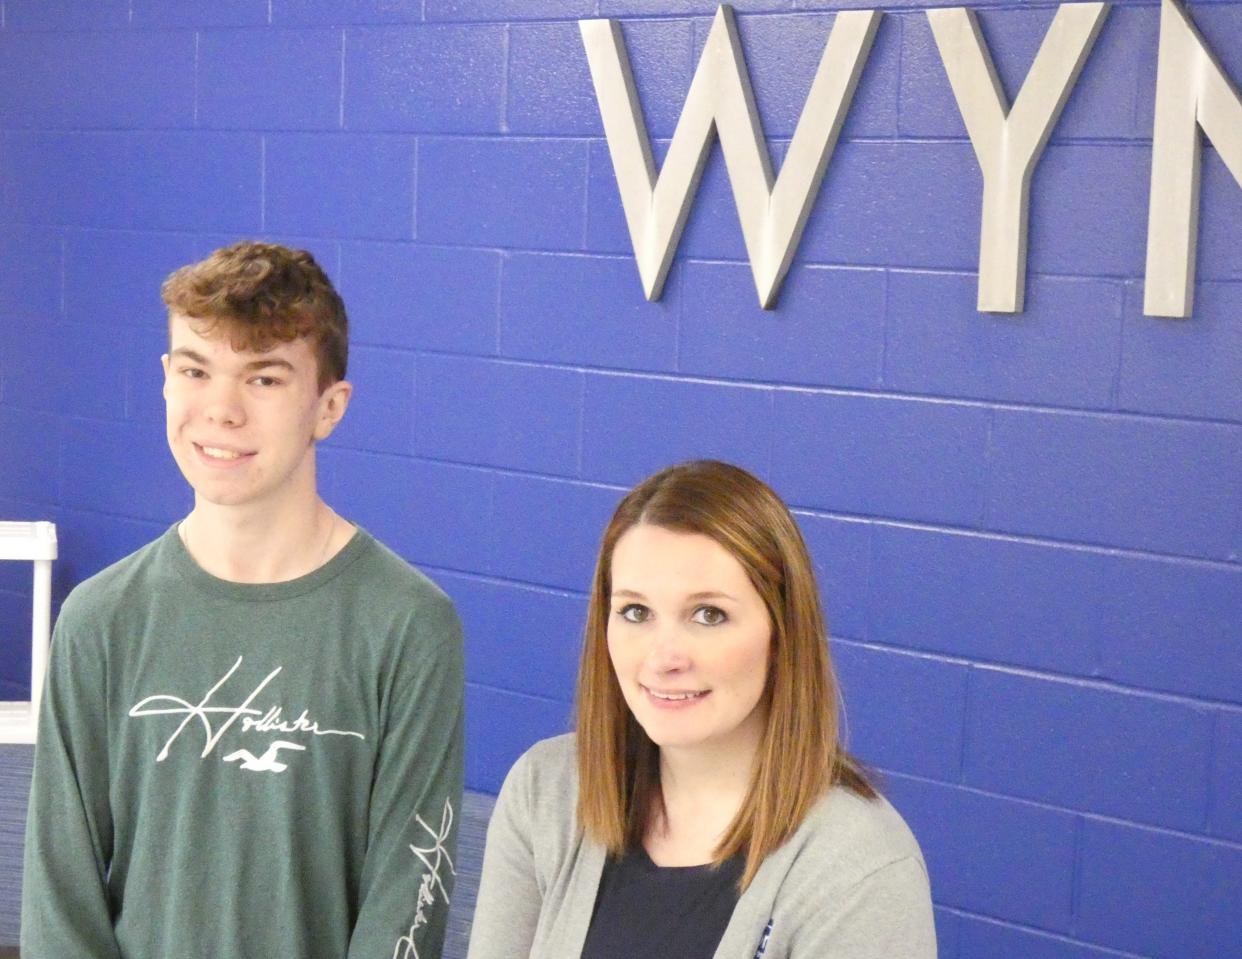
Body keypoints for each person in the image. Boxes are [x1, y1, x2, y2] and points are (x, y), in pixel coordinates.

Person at [21, 242, 464, 959]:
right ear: (166, 380)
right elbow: (59, 899)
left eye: (263, 377)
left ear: (328, 407)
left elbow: (407, 898)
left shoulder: (408, 625)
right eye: (197, 370)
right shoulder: (99, 620)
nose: (220, 410)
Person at [467, 460, 936, 959]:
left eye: (709, 615)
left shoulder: (860, 866)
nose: (663, 658)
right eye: (636, 612)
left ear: (782, 635)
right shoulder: (546, 792)